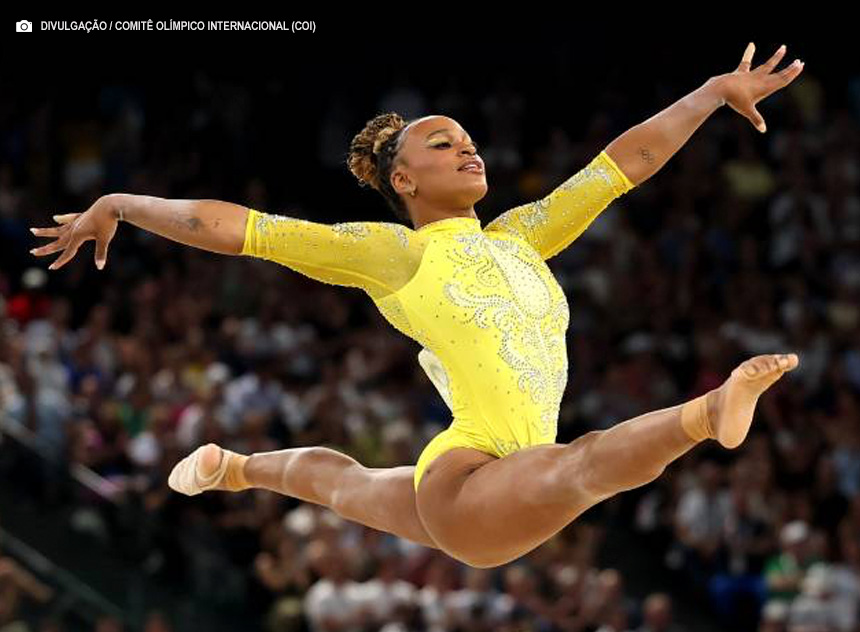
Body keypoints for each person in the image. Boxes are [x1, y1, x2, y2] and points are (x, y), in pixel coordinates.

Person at [29, 43, 805, 569]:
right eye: (441, 144)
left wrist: (709, 93)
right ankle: (709, 413)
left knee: (341, 484)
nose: (467, 148)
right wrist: (121, 203)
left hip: (490, 482)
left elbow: (622, 164)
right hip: (475, 478)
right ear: (402, 180)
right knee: (585, 461)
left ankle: (233, 469)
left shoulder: (523, 236)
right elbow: (232, 227)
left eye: (468, 139)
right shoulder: (398, 253)